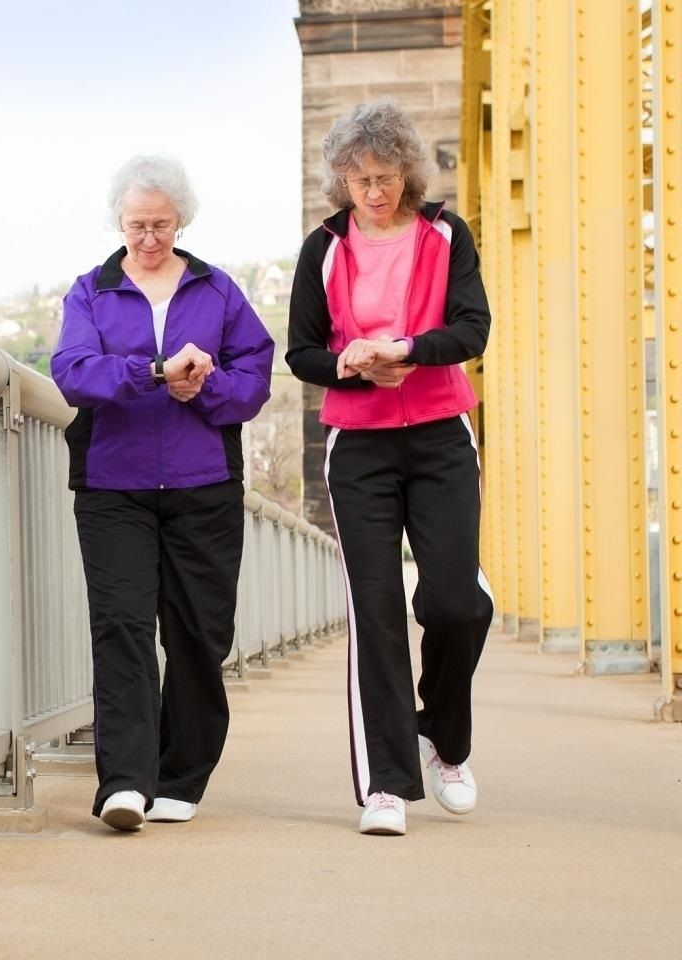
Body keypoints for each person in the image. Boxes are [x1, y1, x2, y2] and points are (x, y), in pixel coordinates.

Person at [285, 101, 493, 836]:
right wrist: (347, 364)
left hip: (441, 434)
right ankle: (387, 784)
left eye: (384, 176)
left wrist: (407, 351)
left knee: (454, 605)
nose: (373, 191)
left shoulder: (445, 232)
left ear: (408, 170)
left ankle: (448, 741)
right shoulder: (324, 246)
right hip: (360, 448)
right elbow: (301, 351)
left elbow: (473, 329)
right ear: (340, 178)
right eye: (358, 178)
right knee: (375, 612)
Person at [51, 155, 274, 832]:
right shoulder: (91, 292)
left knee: (199, 634)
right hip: (113, 486)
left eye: (161, 225)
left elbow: (255, 378)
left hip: (202, 484)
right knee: (121, 626)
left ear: (182, 221)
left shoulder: (218, 291)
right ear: (118, 222)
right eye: (137, 225)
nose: (148, 238)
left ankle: (182, 774)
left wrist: (203, 386)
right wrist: (152, 372)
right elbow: (72, 372)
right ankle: (124, 781)